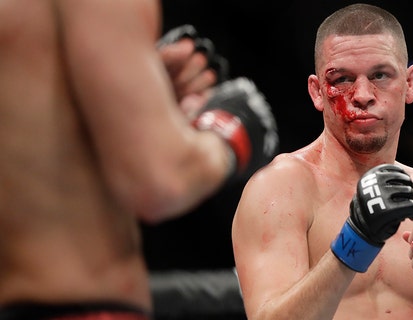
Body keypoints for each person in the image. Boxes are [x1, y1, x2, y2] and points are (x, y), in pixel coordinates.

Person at [0, 1, 276, 319]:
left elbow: (32, 146)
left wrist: (134, 100)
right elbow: (161, 182)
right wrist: (231, 131)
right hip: (82, 306)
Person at [232, 3, 413, 320]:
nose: (362, 94)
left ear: (410, 84)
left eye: (380, 75)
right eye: (341, 79)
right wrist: (353, 244)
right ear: (317, 92)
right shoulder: (280, 190)